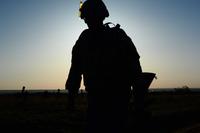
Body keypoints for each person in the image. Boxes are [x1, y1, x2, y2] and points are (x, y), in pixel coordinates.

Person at [65, 0, 142, 132]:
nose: (86, 20)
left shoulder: (118, 36)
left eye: (88, 16)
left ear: (100, 15)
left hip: (118, 99)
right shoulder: (85, 38)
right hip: (96, 100)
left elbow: (134, 67)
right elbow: (76, 68)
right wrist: (71, 96)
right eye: (85, 17)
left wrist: (139, 99)